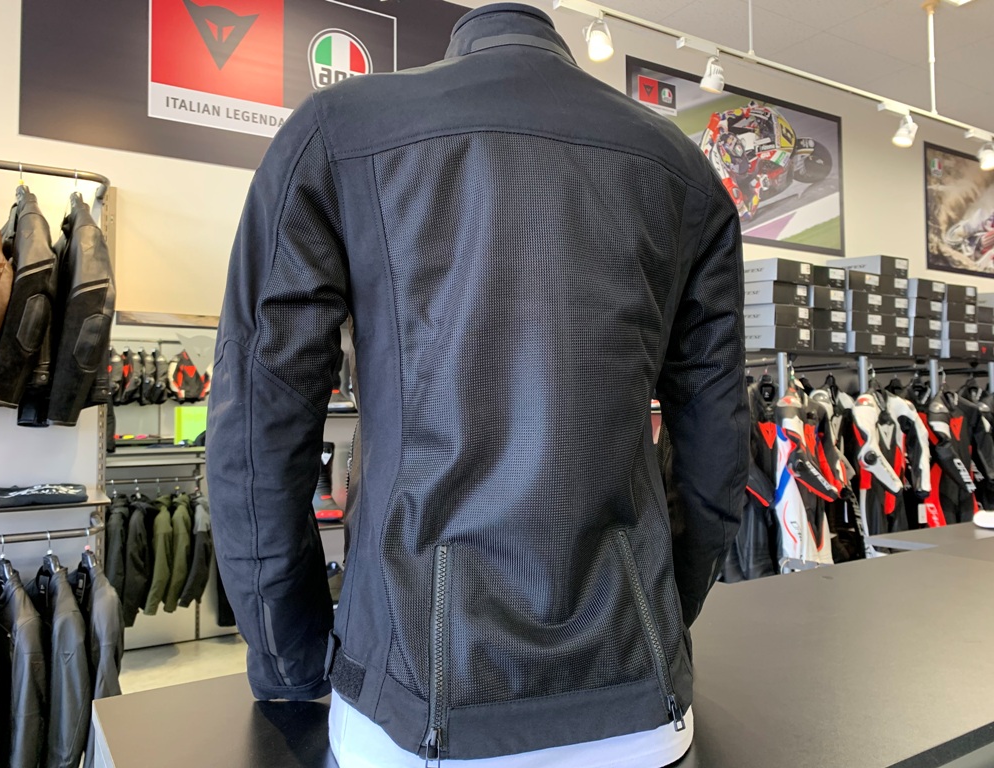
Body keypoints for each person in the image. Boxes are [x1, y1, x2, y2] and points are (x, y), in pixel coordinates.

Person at [206, 4, 749, 767]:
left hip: (411, 716)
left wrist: (292, 662)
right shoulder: (683, 171)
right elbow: (717, 454)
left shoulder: (338, 132)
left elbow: (256, 439)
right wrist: (657, 619)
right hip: (635, 703)